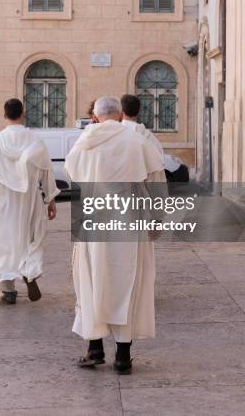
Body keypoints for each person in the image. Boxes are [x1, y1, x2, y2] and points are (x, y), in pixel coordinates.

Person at [65, 96, 166, 375]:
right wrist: (157, 218)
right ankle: (123, 356)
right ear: (121, 114)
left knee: (91, 281)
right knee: (128, 283)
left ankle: (94, 347)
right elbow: (156, 179)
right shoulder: (137, 141)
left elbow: (74, 175)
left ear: (95, 117)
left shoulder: (84, 143)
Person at [0, 98, 59, 305]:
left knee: (3, 242)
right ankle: (29, 271)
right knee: (31, 238)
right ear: (22, 113)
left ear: (4, 114)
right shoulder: (35, 140)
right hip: (31, 198)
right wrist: (50, 199)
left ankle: (7, 289)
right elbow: (46, 171)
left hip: (6, 199)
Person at [121, 94, 164, 160]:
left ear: (122, 111)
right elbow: (159, 159)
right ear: (139, 112)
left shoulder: (114, 132)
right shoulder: (148, 136)